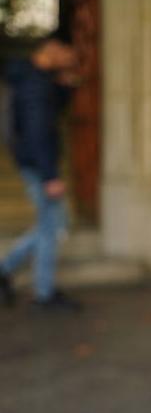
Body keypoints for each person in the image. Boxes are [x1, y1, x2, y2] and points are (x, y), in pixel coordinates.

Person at [0, 38, 79, 311]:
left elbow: (53, 110)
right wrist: (50, 176)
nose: (68, 63)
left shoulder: (35, 79)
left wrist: (66, 85)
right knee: (52, 228)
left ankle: (6, 271)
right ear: (52, 52)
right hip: (38, 165)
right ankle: (44, 294)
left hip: (31, 162)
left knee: (53, 225)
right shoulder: (35, 84)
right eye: (66, 58)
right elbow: (38, 132)